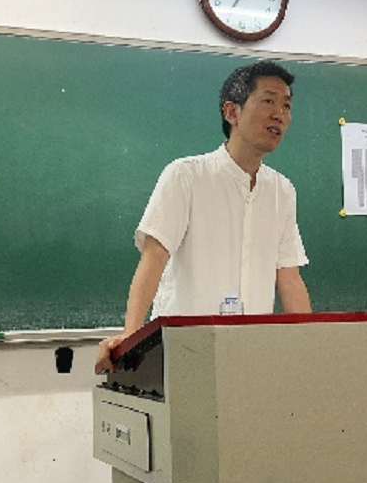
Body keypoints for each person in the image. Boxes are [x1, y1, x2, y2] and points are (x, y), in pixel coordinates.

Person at [94, 60, 311, 373]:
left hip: (252, 354)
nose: (280, 114)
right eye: (268, 101)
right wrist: (131, 335)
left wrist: (308, 344)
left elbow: (288, 277)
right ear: (231, 112)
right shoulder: (186, 176)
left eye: (287, 106)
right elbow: (154, 257)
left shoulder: (282, 191)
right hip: (182, 353)